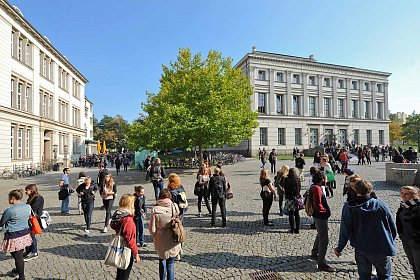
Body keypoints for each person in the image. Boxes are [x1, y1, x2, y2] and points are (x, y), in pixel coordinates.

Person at [334, 179, 397, 279]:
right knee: (385, 276)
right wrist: (389, 241)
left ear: (355, 190)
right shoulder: (382, 205)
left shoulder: (349, 207)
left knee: (364, 276)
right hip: (381, 246)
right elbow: (392, 227)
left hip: (361, 247)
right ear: (370, 190)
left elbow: (345, 229)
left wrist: (339, 248)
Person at [149, 189, 182, 280]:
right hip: (172, 235)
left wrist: (154, 236)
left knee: (161, 259)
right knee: (171, 263)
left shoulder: (155, 209)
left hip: (160, 237)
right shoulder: (174, 206)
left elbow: (152, 228)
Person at [0, 189, 32, 280]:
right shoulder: (27, 206)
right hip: (25, 234)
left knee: (18, 257)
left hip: (14, 236)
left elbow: (1, 223)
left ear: (13, 198)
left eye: (9, 198)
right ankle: (19, 270)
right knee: (19, 255)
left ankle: (21, 277)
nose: (8, 200)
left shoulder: (9, 211)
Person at [309, 171, 336, 272]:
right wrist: (325, 211)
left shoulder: (314, 187)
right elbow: (317, 205)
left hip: (318, 216)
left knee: (320, 234)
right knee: (324, 238)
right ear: (322, 179)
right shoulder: (316, 188)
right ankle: (322, 263)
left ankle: (315, 252)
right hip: (320, 216)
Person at [110, 194, 140, 280]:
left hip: (119, 247)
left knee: (119, 275)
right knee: (124, 276)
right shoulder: (128, 219)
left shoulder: (118, 214)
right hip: (126, 249)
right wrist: (136, 253)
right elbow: (130, 239)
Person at [396, 186, 420, 279]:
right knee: (413, 264)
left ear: (416, 195)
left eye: (407, 194)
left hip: (417, 243)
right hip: (406, 240)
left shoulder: (418, 206)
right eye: (402, 193)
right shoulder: (404, 206)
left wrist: (416, 238)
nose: (403, 196)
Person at [24, 184, 44, 262]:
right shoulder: (31, 197)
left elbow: (33, 209)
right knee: (28, 236)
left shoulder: (38, 198)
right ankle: (29, 251)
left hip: (35, 220)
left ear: (31, 190)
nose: (26, 192)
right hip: (30, 219)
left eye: (27, 190)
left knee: (32, 236)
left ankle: (34, 252)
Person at [283, 168, 301, 234]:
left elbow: (285, 188)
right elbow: (299, 189)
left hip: (289, 198)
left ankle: (292, 228)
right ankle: (297, 228)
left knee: (291, 213)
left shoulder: (286, 180)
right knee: (297, 213)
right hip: (296, 198)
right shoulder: (298, 180)